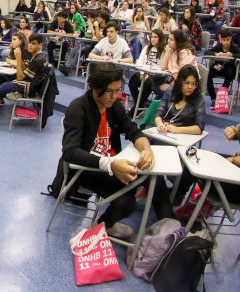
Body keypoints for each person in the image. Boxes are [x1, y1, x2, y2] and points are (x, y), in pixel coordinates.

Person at [61, 62, 173, 238]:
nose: (115, 96)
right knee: (126, 201)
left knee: (155, 179)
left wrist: (146, 149)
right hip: (89, 169)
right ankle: (102, 226)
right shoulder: (79, 108)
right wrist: (110, 164)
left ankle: (170, 231)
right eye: (109, 91)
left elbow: (133, 130)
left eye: (118, 90)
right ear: (96, 88)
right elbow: (70, 151)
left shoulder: (113, 104)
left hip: (113, 163)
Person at [155, 64, 205, 135]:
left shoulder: (199, 100)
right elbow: (158, 114)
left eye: (194, 84)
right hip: (164, 131)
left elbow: (199, 128)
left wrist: (177, 129)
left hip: (184, 136)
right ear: (180, 82)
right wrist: (160, 124)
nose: (190, 87)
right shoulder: (170, 92)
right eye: (187, 83)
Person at [127, 29, 168, 115]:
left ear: (160, 39)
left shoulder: (164, 51)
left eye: (155, 37)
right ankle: (141, 104)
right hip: (144, 72)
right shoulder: (146, 48)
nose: (152, 39)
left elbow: (163, 68)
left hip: (157, 75)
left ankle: (135, 110)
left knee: (148, 82)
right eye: (151, 37)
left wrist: (149, 73)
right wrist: (142, 73)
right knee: (132, 81)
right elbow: (139, 62)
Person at [206, 28, 240, 102]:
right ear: (221, 39)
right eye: (224, 40)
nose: (226, 42)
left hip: (230, 68)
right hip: (219, 66)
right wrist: (216, 54)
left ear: (231, 39)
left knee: (230, 73)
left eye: (228, 40)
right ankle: (213, 98)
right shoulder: (219, 46)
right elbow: (207, 52)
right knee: (209, 73)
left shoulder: (234, 47)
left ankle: (222, 95)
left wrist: (232, 55)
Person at [47, 10, 74, 75]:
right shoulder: (55, 22)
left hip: (64, 41)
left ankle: (61, 63)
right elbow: (48, 31)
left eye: (61, 17)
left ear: (65, 19)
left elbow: (71, 34)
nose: (59, 18)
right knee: (49, 45)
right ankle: (51, 62)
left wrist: (63, 35)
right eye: (59, 16)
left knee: (65, 45)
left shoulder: (67, 24)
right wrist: (56, 32)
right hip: (55, 41)